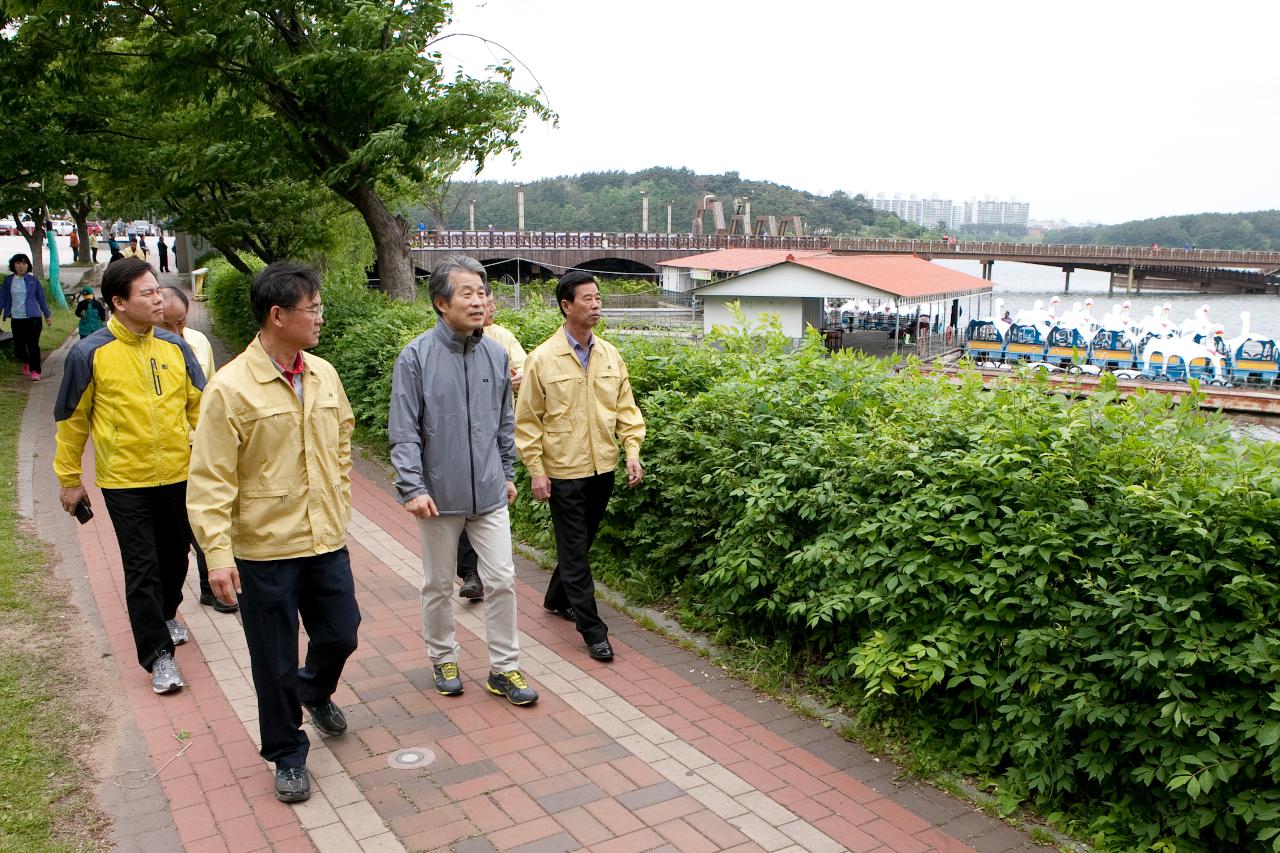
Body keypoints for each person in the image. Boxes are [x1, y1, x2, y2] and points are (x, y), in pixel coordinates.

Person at [187, 262, 360, 805]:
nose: (320, 317)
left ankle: (313, 691)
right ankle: (286, 753)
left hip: (325, 537)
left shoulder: (323, 374)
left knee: (342, 632)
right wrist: (217, 555)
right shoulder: (230, 389)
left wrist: (340, 491)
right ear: (278, 315)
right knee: (273, 658)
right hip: (263, 549)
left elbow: (343, 436)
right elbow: (210, 479)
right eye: (313, 309)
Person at [389, 256, 537, 707]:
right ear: (440, 303)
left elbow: (503, 422)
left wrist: (507, 472)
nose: (479, 302)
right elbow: (404, 428)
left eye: (482, 293)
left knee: (503, 579)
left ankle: (505, 668)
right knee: (437, 583)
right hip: (438, 495)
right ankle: (443, 657)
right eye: (467, 294)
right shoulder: (416, 356)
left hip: (490, 492)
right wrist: (412, 487)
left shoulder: (495, 352)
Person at [54, 258, 205, 695]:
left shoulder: (175, 348)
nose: (158, 298)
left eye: (158, 290)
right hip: (125, 481)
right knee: (142, 567)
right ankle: (158, 656)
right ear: (118, 303)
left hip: (178, 473)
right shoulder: (90, 354)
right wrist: (69, 478)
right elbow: (71, 421)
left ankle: (167, 612)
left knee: (177, 557)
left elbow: (202, 408)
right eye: (147, 293)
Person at [515, 271, 646, 662]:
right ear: (566, 305)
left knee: (581, 543)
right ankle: (593, 631)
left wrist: (632, 450)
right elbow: (528, 421)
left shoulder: (609, 355)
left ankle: (557, 598)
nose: (596, 305)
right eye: (587, 299)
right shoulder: (542, 359)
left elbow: (626, 408)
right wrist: (536, 470)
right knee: (575, 552)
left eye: (598, 298)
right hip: (562, 472)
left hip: (602, 468)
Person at [158, 286, 236, 615]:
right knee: (176, 535)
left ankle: (212, 588)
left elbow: (212, 392)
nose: (178, 332)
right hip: (167, 456)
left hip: (200, 445)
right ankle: (167, 604)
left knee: (209, 517)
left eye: (182, 323)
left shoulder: (198, 342)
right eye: (169, 325)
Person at [455, 286, 527, 601]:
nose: (485, 307)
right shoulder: (448, 341)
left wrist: (518, 377)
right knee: (463, 505)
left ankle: (485, 570)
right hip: (459, 438)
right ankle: (471, 573)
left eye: (488, 301)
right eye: (478, 300)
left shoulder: (502, 339)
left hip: (494, 435)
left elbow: (525, 367)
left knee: (490, 506)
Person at [1, 253, 54, 380]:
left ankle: (36, 371)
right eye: (18, 263)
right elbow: (2, 298)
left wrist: (47, 315)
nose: (21, 266)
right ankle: (26, 361)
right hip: (16, 319)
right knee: (19, 346)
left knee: (33, 344)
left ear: (28, 266)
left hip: (33, 318)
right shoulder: (8, 281)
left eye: (24, 263)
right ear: (13, 265)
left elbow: (41, 299)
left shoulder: (33, 281)